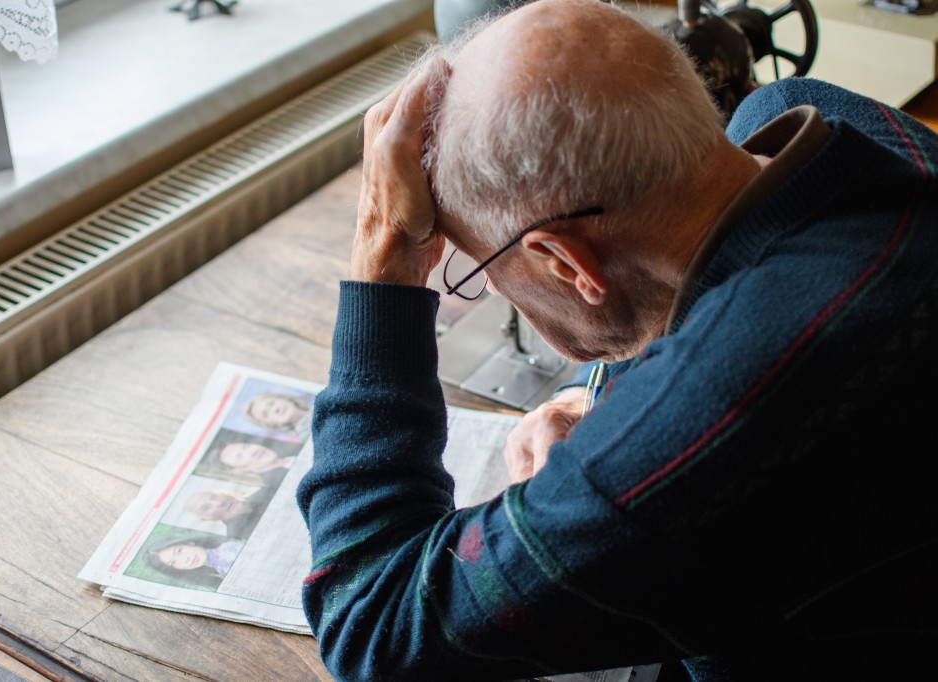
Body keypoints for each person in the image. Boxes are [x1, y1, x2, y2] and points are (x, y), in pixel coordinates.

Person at [295, 0, 938, 680]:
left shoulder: (716, 410)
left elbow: (369, 623)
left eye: (477, 265)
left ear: (567, 263)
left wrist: (383, 271)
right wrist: (592, 394)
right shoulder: (826, 119)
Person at [143, 534, 243, 589]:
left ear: (189, 543)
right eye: (173, 563)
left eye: (179, 551)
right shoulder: (217, 571)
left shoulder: (230, 548)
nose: (185, 559)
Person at [183, 488, 272, 538]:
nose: (219, 503)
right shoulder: (240, 536)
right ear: (206, 519)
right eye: (206, 508)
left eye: (214, 497)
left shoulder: (266, 491)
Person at [242, 390, 312, 438]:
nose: (275, 409)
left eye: (271, 403)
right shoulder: (305, 436)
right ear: (271, 425)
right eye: (266, 414)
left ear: (285, 399)